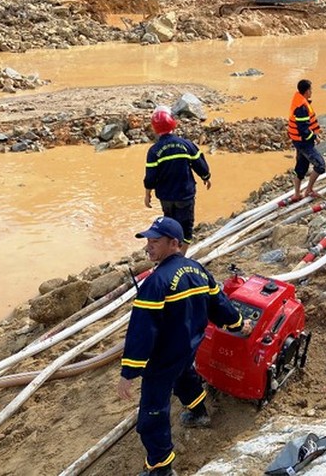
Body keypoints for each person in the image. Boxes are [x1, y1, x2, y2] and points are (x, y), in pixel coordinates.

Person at [118, 216, 251, 476]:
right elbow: (219, 305)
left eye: (155, 242)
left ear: (174, 243)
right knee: (185, 376)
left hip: (163, 357)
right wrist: (238, 324)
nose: (148, 248)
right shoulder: (197, 269)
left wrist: (129, 373)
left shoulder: (156, 283)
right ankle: (199, 412)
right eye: (148, 242)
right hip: (188, 347)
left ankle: (160, 467)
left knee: (151, 415)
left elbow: (141, 331)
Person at [143, 106, 212, 256]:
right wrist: (206, 177)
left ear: (155, 128)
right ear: (174, 124)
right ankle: (180, 257)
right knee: (186, 227)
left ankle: (169, 254)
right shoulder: (186, 145)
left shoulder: (154, 151)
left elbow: (150, 176)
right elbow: (199, 164)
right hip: (184, 194)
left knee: (170, 224)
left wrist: (147, 194)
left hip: (166, 196)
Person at [287, 79, 326, 201]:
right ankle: (308, 190)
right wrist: (314, 137)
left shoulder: (299, 101)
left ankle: (297, 194)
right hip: (303, 142)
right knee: (320, 165)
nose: (311, 92)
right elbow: (303, 129)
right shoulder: (301, 108)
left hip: (298, 141)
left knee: (301, 167)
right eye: (311, 90)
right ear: (307, 91)